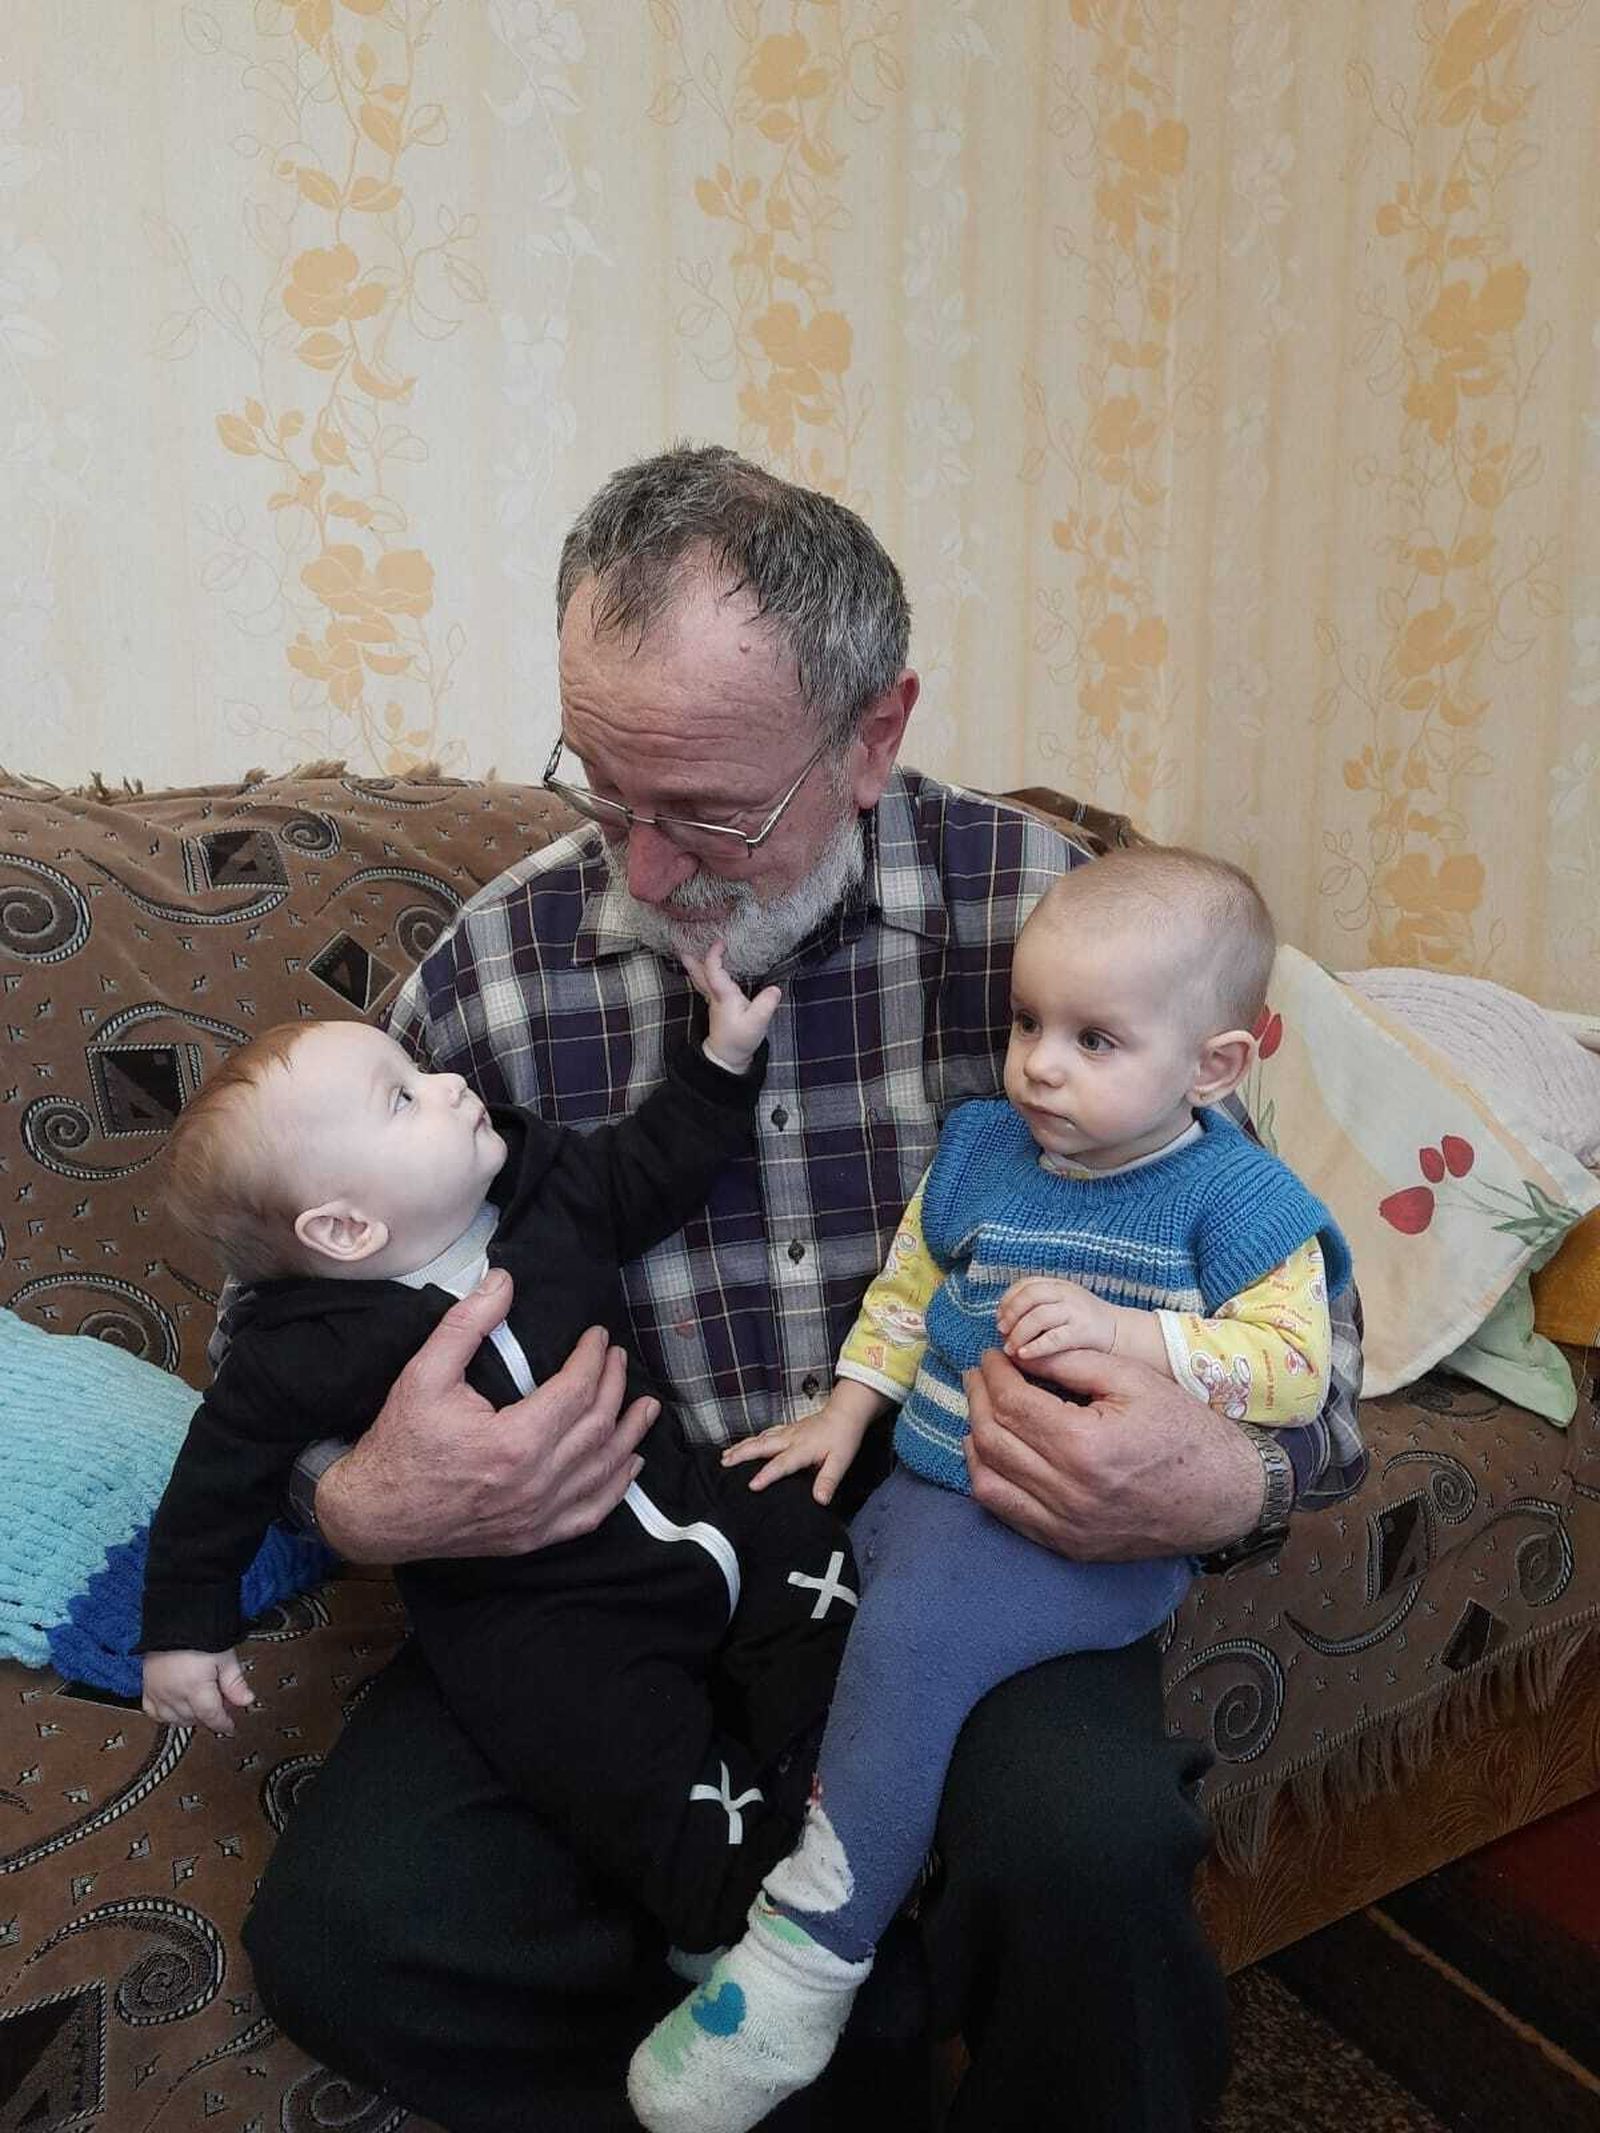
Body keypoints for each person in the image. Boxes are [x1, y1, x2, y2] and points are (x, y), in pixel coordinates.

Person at [241, 444, 1367, 2133]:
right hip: (607, 1556)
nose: (640, 861)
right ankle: (836, 2047)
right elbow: (264, 1331)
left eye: (701, 810)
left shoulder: (1074, 935)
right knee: (348, 1934)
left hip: (966, 1530)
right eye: (597, 784)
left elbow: (1312, 1362)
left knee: (1094, 1862)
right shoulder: (493, 966)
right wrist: (362, 1496)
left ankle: (839, 1995)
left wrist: (1238, 1473)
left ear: (873, 734)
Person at [628, 847, 1352, 2132]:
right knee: (824, 1634)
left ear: (1217, 1065)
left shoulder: (1238, 1201)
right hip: (923, 1489)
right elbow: (910, 1294)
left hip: (1077, 1542)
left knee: (911, 1648)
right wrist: (847, 1411)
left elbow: (1297, 1371)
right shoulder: (982, 1152)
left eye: (1093, 1039)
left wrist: (1132, 1342)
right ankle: (740, 1916)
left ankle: (804, 1964)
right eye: (1026, 1024)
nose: (1040, 1067)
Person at [143, 963, 859, 1958]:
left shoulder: (546, 1188)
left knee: (806, 1541)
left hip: (695, 1503)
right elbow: (216, 1479)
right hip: (547, 1620)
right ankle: (724, 1932)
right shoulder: (304, 1347)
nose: (446, 1085)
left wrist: (724, 1058)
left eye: (418, 1070)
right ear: (344, 1229)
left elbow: (653, 1163)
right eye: (403, 1098)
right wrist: (183, 1632)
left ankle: (822, 1784)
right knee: (622, 1762)